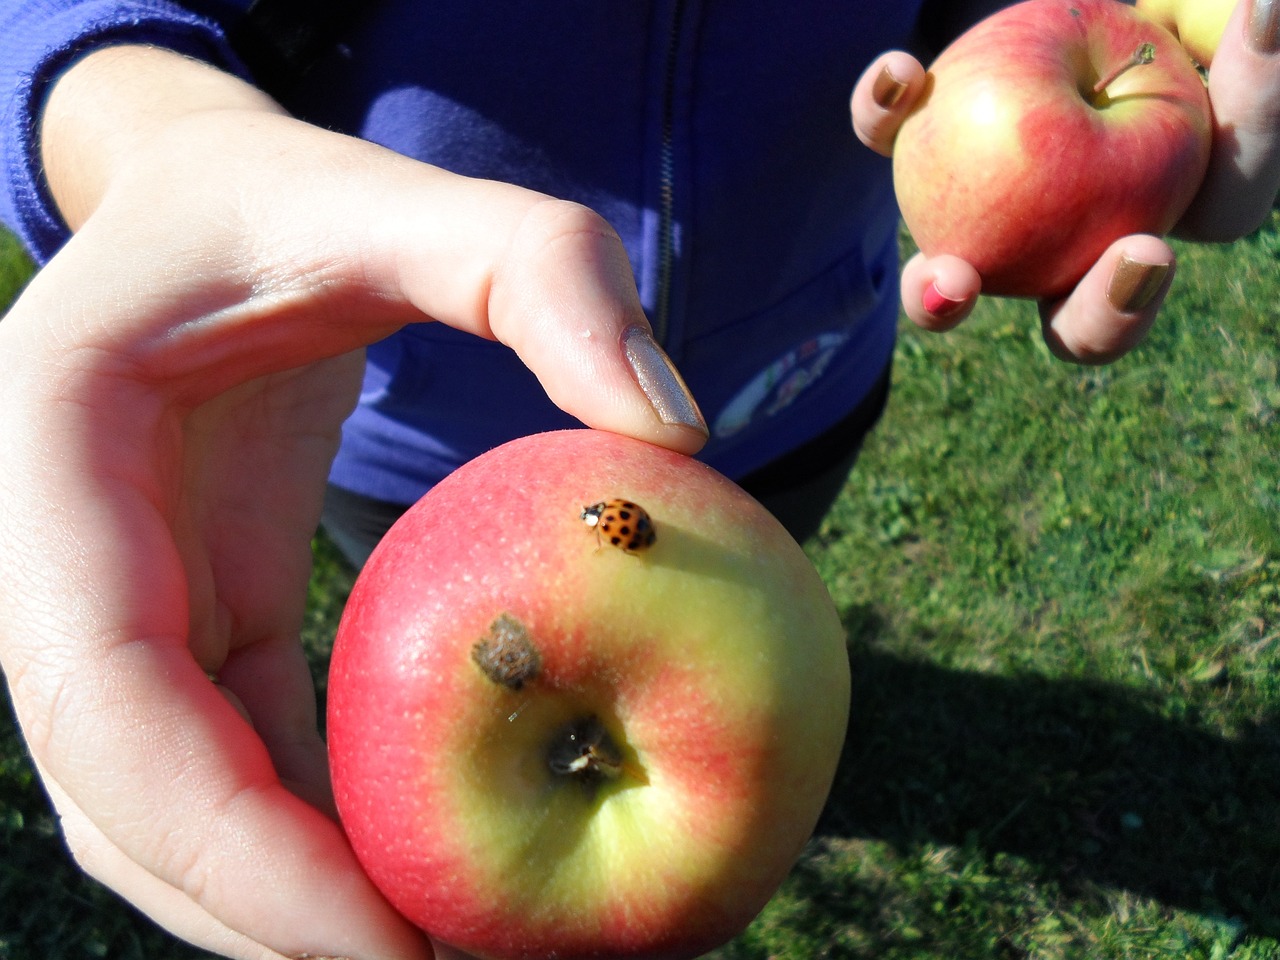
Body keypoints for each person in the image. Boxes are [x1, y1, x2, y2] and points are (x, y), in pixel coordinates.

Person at [0, 1, 1275, 958]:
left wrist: (1029, 41)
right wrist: (147, 127)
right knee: (732, 620)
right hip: (389, 420)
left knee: (759, 577)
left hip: (796, 378)